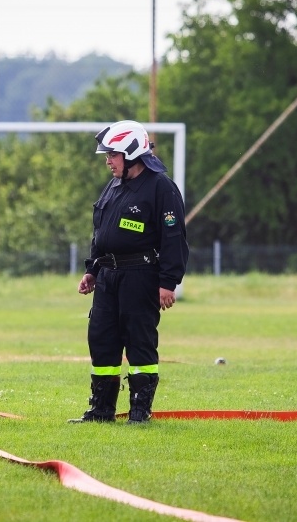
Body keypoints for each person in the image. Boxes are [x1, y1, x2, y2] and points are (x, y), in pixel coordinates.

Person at [70, 120, 189, 424]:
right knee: (102, 339)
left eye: (112, 154)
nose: (108, 161)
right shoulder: (113, 185)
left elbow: (174, 238)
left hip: (141, 276)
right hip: (108, 278)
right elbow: (101, 232)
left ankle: (139, 411)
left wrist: (168, 282)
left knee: (140, 341)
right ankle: (101, 410)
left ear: (131, 153)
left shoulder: (161, 187)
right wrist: (93, 269)